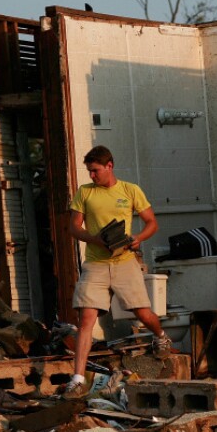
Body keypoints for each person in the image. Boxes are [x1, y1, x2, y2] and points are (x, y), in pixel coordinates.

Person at [62, 145, 171, 398]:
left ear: (109, 166)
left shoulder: (130, 190)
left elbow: (152, 222)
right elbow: (74, 228)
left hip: (124, 262)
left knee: (142, 313)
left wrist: (138, 238)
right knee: (86, 319)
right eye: (89, 171)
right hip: (96, 264)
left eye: (95, 171)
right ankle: (77, 380)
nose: (92, 176)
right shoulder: (84, 193)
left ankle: (161, 336)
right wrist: (95, 239)